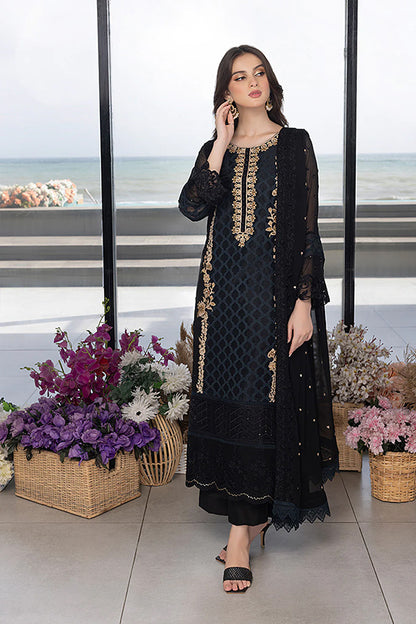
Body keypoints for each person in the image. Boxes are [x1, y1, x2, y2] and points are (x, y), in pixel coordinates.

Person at [178, 44, 339, 594]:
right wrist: (221, 143)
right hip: (220, 300)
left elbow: (309, 233)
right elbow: (193, 207)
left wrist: (303, 303)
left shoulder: (295, 145)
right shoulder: (214, 149)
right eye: (239, 76)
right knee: (227, 400)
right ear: (225, 90)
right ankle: (249, 519)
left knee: (264, 402)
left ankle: (241, 535)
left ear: (270, 82)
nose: (252, 82)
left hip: (272, 300)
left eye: (259, 73)